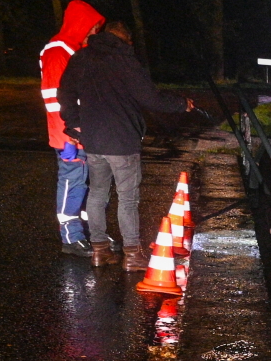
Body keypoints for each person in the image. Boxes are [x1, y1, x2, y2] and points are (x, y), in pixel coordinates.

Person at [57, 21, 194, 270]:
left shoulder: (82, 57)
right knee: (128, 198)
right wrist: (182, 104)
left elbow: (64, 93)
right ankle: (132, 255)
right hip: (121, 140)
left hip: (93, 139)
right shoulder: (124, 59)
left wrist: (75, 124)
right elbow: (150, 97)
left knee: (97, 193)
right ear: (126, 39)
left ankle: (100, 251)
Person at [39, 0, 106, 257]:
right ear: (81, 24)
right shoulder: (58, 51)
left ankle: (91, 233)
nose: (94, 32)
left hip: (83, 131)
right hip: (70, 134)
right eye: (92, 27)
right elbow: (53, 100)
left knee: (87, 183)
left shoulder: (73, 49)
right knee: (73, 181)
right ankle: (71, 236)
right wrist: (66, 137)